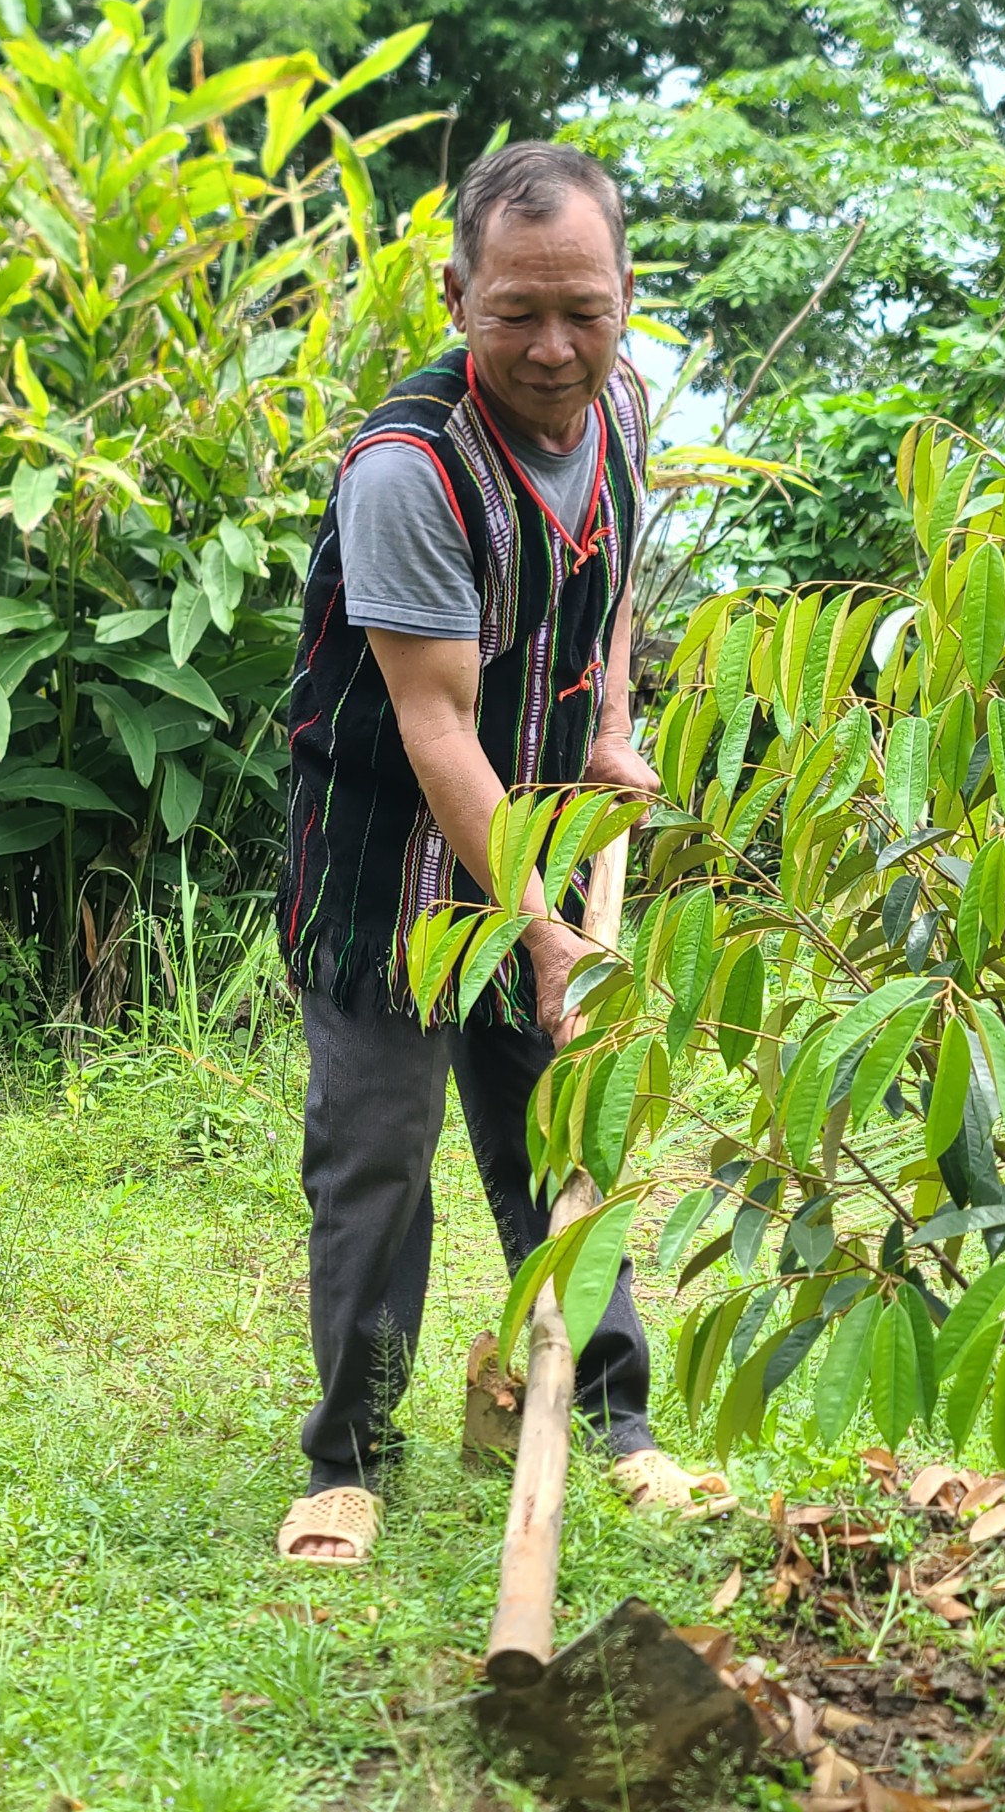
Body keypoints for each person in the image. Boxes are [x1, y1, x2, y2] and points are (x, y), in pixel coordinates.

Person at [269, 143, 728, 1566]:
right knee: (380, 1157)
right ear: (457, 291)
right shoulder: (408, 470)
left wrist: (610, 722)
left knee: (565, 1140)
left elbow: (608, 600)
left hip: (540, 823)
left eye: (584, 312)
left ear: (626, 296)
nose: (550, 348)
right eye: (515, 311)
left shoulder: (618, 404)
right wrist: (544, 936)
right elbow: (436, 729)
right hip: (391, 864)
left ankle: (622, 1425)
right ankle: (348, 1456)